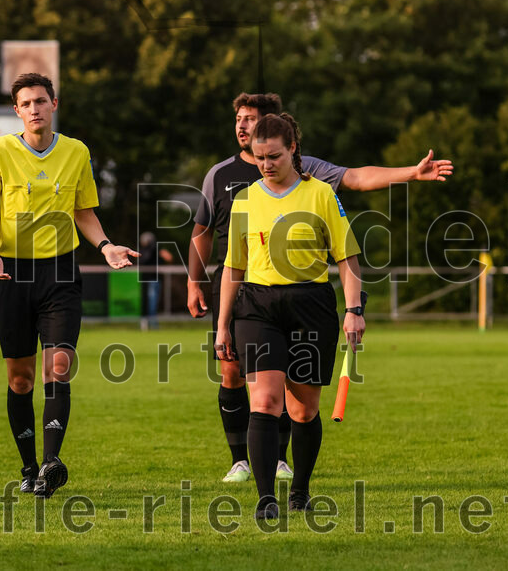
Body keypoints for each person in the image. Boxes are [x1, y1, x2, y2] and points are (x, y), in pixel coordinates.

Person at [188, 93, 453, 484]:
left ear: (285, 139)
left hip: (305, 298)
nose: (245, 127)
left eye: (253, 119)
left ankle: (284, 465)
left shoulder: (310, 174)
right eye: (240, 119)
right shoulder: (222, 175)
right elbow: (204, 231)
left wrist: (410, 174)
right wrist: (195, 281)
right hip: (245, 289)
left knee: (297, 400)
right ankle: (242, 463)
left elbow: (357, 179)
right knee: (241, 378)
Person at [0, 73, 138, 499]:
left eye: (41, 101)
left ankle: (50, 463)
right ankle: (29, 467)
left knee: (59, 367)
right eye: (26, 103)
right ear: (16, 111)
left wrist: (105, 246)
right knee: (21, 379)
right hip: (12, 274)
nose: (35, 109)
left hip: (61, 272)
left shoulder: (76, 152)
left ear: (54, 104)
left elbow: (84, 212)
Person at [216, 113, 365, 519]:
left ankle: (300, 490)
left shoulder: (321, 194)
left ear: (293, 149)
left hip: (311, 306)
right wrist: (222, 325)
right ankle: (266, 498)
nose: (266, 164)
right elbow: (234, 266)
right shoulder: (245, 199)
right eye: (259, 157)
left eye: (274, 156)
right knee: (264, 400)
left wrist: (354, 310)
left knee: (303, 410)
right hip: (257, 307)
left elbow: (347, 258)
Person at [137, 231, 174, 330]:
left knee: (152, 303)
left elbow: (169, 257)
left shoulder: (155, 250)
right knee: (149, 303)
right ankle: (148, 323)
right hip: (147, 281)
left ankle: (150, 323)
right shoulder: (145, 252)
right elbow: (169, 257)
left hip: (152, 280)